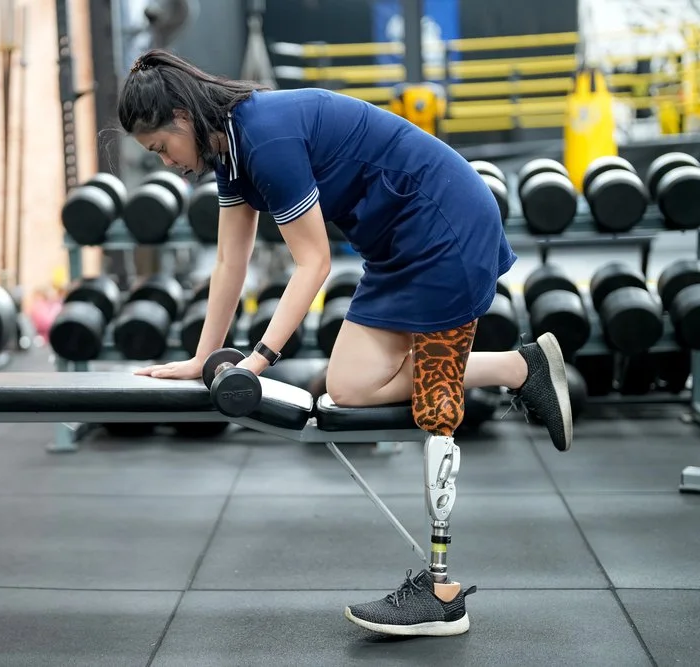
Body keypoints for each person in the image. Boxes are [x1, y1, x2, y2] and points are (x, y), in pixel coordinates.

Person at [116, 48, 572, 638]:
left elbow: (313, 263)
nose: (168, 163)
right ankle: (520, 367)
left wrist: (259, 359)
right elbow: (231, 259)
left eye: (160, 149)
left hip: (444, 229)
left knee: (437, 401)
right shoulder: (230, 146)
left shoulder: (263, 138)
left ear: (181, 117)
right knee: (348, 387)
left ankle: (442, 593)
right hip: (399, 243)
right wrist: (204, 358)